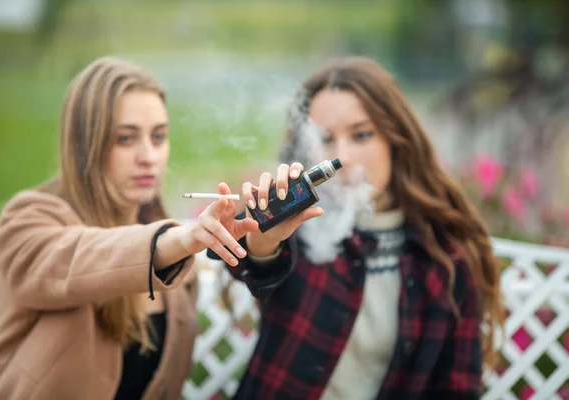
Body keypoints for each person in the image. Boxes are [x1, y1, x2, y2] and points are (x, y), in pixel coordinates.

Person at [209, 56, 505, 399]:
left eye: (361, 135)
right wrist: (263, 241)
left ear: (396, 139)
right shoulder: (300, 228)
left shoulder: (445, 256)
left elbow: (456, 389)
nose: (342, 157)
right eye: (325, 139)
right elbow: (259, 266)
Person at [0, 56, 257, 400]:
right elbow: (76, 258)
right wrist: (179, 239)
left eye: (159, 136)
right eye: (125, 138)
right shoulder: (29, 219)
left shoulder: (179, 266)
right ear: (84, 144)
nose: (148, 156)